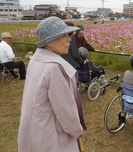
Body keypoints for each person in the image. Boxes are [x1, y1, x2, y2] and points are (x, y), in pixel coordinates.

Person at [18, 17, 87, 152]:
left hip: (35, 126)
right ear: (50, 41)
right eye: (64, 35)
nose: (69, 39)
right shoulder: (55, 68)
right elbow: (66, 110)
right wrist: (77, 130)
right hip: (51, 134)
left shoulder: (36, 60)